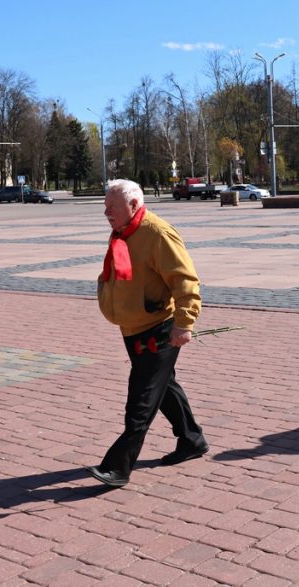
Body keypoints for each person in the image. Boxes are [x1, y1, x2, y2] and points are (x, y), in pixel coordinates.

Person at [88, 179, 207, 487]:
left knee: (141, 398)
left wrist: (184, 323)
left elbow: (186, 280)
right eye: (105, 206)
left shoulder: (157, 233)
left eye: (111, 207)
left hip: (160, 327)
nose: (106, 213)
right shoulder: (123, 232)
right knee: (164, 387)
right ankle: (192, 440)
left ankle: (118, 466)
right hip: (133, 326)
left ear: (134, 206)